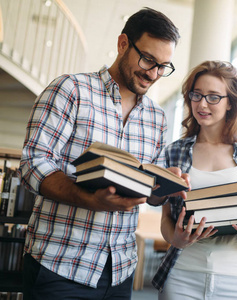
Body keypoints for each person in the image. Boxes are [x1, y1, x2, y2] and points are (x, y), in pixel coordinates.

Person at [18, 7, 187, 300]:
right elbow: (33, 164)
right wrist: (89, 199)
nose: (154, 73)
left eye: (163, 66)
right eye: (148, 59)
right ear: (123, 44)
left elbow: (148, 192)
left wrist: (165, 186)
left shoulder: (157, 117)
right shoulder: (70, 90)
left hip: (120, 271)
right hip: (60, 266)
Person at [152, 60, 237, 300]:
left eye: (213, 97)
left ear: (231, 103)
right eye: (197, 95)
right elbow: (166, 221)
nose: (202, 104)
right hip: (182, 275)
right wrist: (176, 239)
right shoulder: (175, 152)